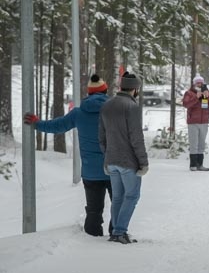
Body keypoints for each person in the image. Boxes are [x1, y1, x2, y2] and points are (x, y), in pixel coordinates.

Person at [24, 74, 112, 236]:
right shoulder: (114, 111)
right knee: (119, 206)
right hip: (114, 168)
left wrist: (37, 123)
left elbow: (56, 126)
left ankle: (92, 241)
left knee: (93, 211)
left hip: (91, 172)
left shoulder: (78, 113)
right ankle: (117, 236)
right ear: (105, 91)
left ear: (89, 93)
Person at [99, 71, 149, 244]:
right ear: (135, 89)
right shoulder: (132, 107)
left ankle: (115, 232)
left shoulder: (107, 105)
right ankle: (120, 231)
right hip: (128, 162)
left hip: (111, 160)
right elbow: (136, 138)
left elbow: (102, 136)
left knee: (118, 197)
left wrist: (107, 156)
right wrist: (143, 162)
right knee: (132, 196)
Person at [181, 74, 209, 172]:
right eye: (197, 82)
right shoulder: (189, 93)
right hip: (193, 122)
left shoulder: (208, 92)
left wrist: (208, 96)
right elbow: (186, 104)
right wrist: (196, 98)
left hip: (204, 122)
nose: (199, 84)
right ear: (194, 84)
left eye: (201, 82)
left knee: (201, 144)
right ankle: (193, 165)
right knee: (194, 144)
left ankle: (200, 164)